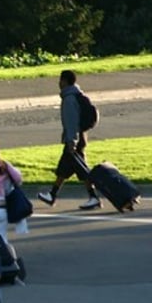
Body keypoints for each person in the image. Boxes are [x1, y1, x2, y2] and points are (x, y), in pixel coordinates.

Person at [37, 69, 101, 210]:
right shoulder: (77, 95)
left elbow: (71, 121)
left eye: (60, 80)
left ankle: (94, 197)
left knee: (82, 171)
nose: (58, 83)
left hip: (74, 140)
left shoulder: (69, 99)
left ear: (65, 81)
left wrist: (72, 140)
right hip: (79, 137)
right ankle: (52, 195)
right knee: (63, 170)